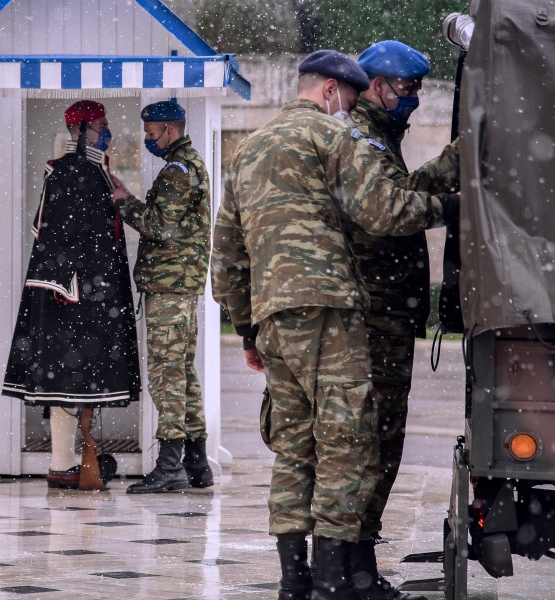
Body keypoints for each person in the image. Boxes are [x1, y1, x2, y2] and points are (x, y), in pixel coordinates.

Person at [210, 50, 459, 600]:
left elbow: (225, 254)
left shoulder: (248, 149)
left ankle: (293, 580)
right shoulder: (333, 136)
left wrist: (248, 329)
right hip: (329, 311)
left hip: (272, 318)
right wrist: (453, 208)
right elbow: (384, 212)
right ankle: (332, 580)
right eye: (348, 98)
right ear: (328, 91)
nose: (350, 108)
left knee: (294, 448)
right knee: (348, 443)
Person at [345, 40, 458, 600]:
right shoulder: (362, 139)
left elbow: (400, 193)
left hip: (386, 315)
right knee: (373, 445)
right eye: (407, 89)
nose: (413, 99)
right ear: (377, 86)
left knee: (377, 443)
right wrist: (450, 200)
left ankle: (350, 562)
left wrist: (447, 167)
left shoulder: (380, 137)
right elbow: (388, 210)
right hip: (373, 317)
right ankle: (353, 568)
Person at [2, 100, 140, 490]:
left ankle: (66, 462)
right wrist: (70, 287)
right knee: (67, 376)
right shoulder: (70, 170)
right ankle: (62, 463)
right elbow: (56, 235)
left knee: (75, 377)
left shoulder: (92, 170)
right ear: (79, 129)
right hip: (74, 295)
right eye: (100, 125)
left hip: (89, 292)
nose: (106, 131)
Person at [109, 100, 213, 494]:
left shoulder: (177, 171)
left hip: (170, 287)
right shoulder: (190, 164)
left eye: (151, 133)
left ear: (170, 129)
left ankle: (170, 465)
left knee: (166, 374)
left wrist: (124, 201)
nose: (148, 139)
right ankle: (197, 463)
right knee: (183, 374)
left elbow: (158, 226)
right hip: (181, 285)